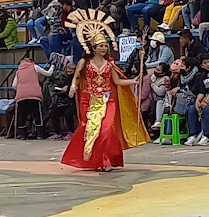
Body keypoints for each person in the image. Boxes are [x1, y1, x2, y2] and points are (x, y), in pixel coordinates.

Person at [62, 15, 149, 171]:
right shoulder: (85, 62)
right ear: (93, 48)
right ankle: (94, 159)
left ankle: (106, 159)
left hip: (107, 100)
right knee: (89, 128)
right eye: (101, 46)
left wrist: (133, 81)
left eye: (105, 46)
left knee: (107, 128)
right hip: (88, 100)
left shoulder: (110, 64)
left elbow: (117, 82)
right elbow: (76, 77)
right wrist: (73, 86)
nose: (104, 48)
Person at [12, 58, 54, 139]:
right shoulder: (34, 67)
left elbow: (14, 86)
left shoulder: (19, 71)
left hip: (21, 96)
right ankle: (39, 134)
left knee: (22, 116)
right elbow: (48, 74)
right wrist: (52, 66)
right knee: (37, 114)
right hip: (34, 95)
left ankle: (22, 134)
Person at [44, 61, 76, 140]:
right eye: (67, 71)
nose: (69, 73)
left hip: (74, 102)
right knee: (53, 112)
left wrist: (68, 88)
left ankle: (71, 132)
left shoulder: (76, 78)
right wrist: (60, 90)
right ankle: (57, 133)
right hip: (64, 101)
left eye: (71, 71)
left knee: (68, 113)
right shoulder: (64, 78)